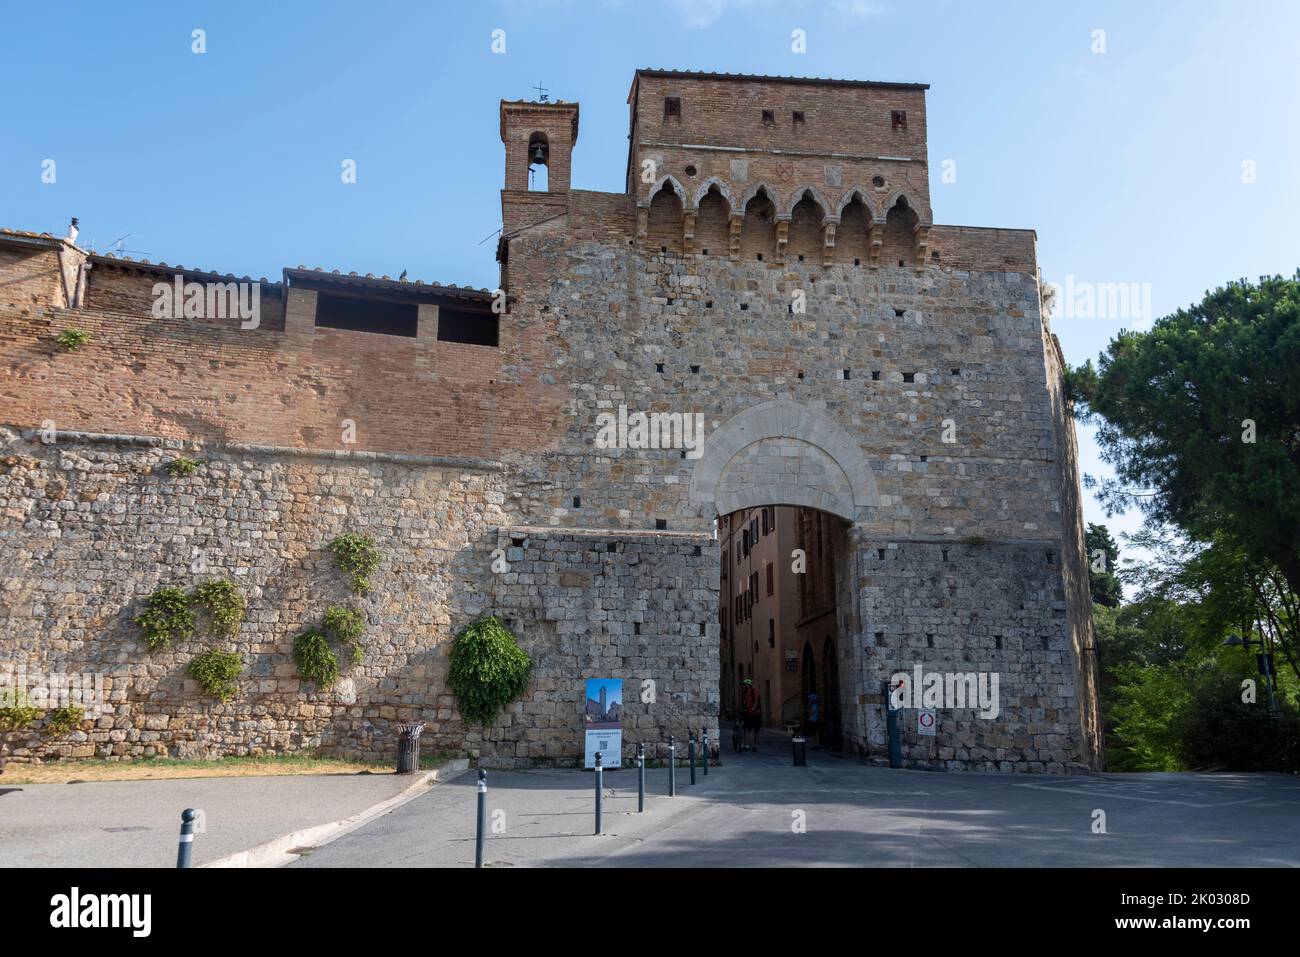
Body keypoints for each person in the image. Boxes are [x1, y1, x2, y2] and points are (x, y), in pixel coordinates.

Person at [741, 678, 762, 752]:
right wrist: (743, 708)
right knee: (746, 729)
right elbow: (744, 702)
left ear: (748, 685)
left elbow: (756, 701)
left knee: (756, 730)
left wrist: (753, 708)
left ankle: (755, 745)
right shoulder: (745, 693)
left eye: (745, 685)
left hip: (755, 713)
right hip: (748, 713)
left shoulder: (754, 692)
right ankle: (746, 745)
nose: (744, 686)